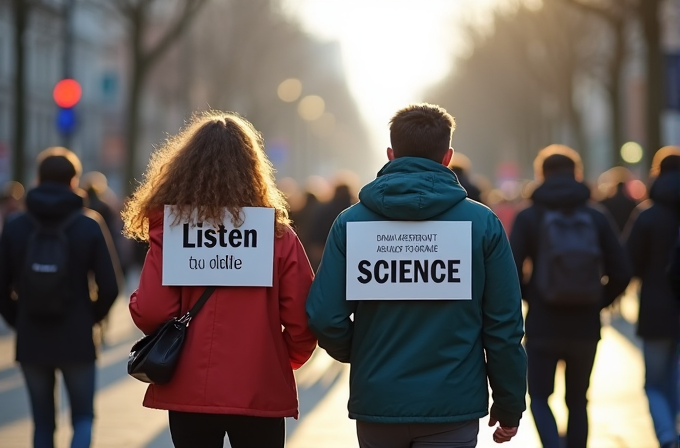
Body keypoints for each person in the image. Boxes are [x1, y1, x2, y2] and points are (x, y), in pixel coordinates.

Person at [306, 103, 527, 448]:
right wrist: (509, 401)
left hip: (379, 398)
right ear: (447, 156)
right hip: (452, 402)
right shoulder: (482, 225)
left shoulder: (352, 224)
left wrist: (362, 351)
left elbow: (323, 315)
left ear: (391, 154)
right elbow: (504, 325)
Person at [122, 111, 317, 448]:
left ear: (184, 169)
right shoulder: (276, 237)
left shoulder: (174, 234)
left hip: (190, 386)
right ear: (253, 170)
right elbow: (303, 319)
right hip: (259, 387)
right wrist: (279, 360)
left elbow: (153, 309)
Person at [509, 145, 631, 448]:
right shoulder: (595, 215)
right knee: (578, 400)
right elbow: (622, 270)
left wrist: (533, 295)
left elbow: (508, 272)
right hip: (585, 325)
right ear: (576, 174)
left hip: (543, 324)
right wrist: (596, 300)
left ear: (541, 175)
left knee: (538, 396)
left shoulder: (529, 217)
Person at [0, 147, 121, 448]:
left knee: (42, 424)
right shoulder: (89, 224)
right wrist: (89, 318)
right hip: (77, 336)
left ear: (38, 179)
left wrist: (18, 320)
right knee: (82, 418)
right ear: (74, 181)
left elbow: (0, 286)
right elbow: (110, 286)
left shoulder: (16, 226)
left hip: (31, 335)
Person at [625, 147, 680, 448]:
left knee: (655, 382)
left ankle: (667, 435)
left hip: (656, 310)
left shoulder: (647, 214)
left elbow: (627, 264)